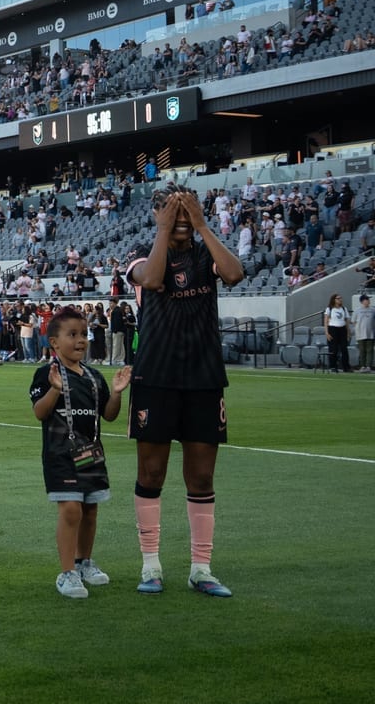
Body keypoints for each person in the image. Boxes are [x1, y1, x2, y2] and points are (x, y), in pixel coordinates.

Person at [126, 187, 244, 597]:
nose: (179, 219)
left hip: (203, 376)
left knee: (202, 476)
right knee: (151, 473)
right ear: (156, 214)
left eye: (185, 212)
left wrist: (202, 225)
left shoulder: (205, 252)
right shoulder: (141, 253)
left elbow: (234, 274)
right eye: (170, 212)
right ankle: (151, 566)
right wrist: (164, 229)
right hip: (155, 376)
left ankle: (201, 568)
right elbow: (152, 279)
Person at [30, 308, 130, 598]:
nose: (81, 340)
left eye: (83, 334)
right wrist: (55, 390)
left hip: (91, 454)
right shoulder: (46, 373)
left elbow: (108, 415)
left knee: (90, 509)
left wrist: (116, 393)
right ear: (54, 343)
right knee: (71, 509)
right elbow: (40, 413)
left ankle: (84, 562)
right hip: (60, 454)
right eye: (72, 334)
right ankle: (67, 573)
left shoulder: (93, 376)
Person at [323, 293, 350, 372]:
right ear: (334, 300)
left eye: (340, 298)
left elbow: (346, 321)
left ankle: (346, 367)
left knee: (344, 349)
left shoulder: (344, 309)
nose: (340, 300)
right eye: (338, 298)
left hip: (342, 329)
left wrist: (348, 332)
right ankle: (333, 366)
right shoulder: (329, 309)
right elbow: (326, 321)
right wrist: (327, 333)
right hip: (333, 329)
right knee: (333, 349)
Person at [356, 295, 375, 372]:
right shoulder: (357, 310)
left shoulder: (373, 310)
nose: (368, 301)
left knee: (370, 350)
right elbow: (353, 321)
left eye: (368, 299)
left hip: (371, 333)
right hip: (360, 334)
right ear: (362, 301)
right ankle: (362, 366)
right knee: (362, 351)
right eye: (367, 299)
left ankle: (368, 366)